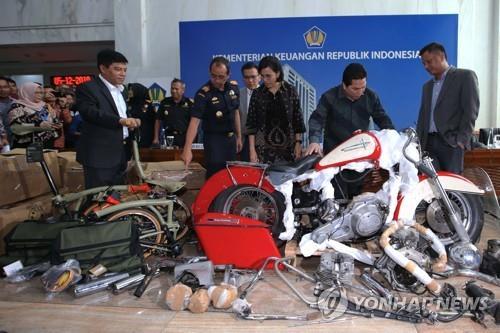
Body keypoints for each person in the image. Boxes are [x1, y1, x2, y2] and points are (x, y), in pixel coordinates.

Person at [306, 63, 394, 199]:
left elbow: (383, 119)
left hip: (361, 158)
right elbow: (317, 120)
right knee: (337, 199)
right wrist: (314, 141)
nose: (361, 92)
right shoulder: (329, 97)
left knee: (361, 200)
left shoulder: (371, 97)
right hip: (335, 157)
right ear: (344, 85)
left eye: (363, 87)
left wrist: (393, 138)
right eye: (355, 89)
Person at [75, 49, 141, 189]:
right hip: (100, 155)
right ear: (103, 68)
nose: (122, 73)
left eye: (124, 69)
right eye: (117, 69)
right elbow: (90, 112)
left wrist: (132, 121)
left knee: (116, 198)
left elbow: (122, 114)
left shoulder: (121, 91)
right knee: (98, 199)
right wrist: (120, 121)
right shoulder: (88, 88)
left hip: (121, 153)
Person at [416, 42, 480, 174]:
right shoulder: (427, 86)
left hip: (451, 143)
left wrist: (461, 140)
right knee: (432, 187)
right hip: (428, 144)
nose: (426, 66)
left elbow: (471, 111)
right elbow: (423, 117)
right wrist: (418, 144)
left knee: (452, 187)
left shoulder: (465, 76)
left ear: (441, 56)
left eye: (429, 61)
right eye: (423, 64)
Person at [181, 56, 242, 178]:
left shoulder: (234, 88)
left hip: (231, 140)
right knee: (216, 177)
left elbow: (235, 113)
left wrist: (239, 136)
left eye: (221, 77)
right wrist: (187, 148)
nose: (217, 80)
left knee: (231, 176)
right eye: (213, 76)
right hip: (214, 141)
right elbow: (194, 122)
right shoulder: (203, 93)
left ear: (228, 75)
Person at [246, 56, 305, 164]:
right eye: (262, 76)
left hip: (289, 149)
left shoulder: (290, 91)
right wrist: (252, 151)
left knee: (287, 180)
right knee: (266, 180)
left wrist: (298, 143)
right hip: (263, 149)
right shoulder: (257, 94)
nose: (264, 80)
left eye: (268, 76)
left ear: (277, 73)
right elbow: (251, 124)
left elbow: (298, 119)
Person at [7, 82, 61, 149]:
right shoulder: (17, 106)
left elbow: (55, 120)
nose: (39, 95)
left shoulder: (45, 106)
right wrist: (38, 126)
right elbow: (15, 128)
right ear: (26, 92)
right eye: (36, 92)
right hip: (27, 146)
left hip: (47, 144)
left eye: (41, 93)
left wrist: (57, 125)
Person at [153, 78, 193, 148]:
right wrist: (156, 138)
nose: (174, 91)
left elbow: (193, 123)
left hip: (184, 138)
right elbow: (158, 120)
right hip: (168, 137)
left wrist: (191, 140)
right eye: (172, 88)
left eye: (176, 89)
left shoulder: (189, 103)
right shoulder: (164, 102)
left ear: (183, 90)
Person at [238, 62, 260, 161]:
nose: (250, 80)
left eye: (253, 77)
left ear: (260, 76)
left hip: (264, 142)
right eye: (246, 77)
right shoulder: (237, 95)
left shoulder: (268, 94)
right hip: (243, 141)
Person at [127, 83, 156, 148]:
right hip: (130, 135)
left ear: (138, 90)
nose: (129, 92)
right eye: (129, 90)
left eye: (132, 90)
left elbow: (153, 121)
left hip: (145, 136)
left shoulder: (148, 105)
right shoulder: (127, 103)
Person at [0, 77, 13, 150]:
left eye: (5, 87)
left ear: (9, 88)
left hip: (16, 141)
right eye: (0, 87)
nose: (2, 90)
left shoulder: (15, 103)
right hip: (2, 143)